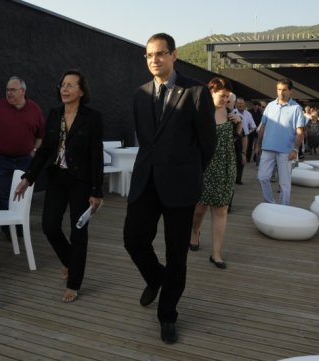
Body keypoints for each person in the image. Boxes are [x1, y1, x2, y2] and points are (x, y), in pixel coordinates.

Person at [123, 33, 216, 344]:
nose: (154, 59)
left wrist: (189, 173)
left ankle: (167, 315)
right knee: (133, 239)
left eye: (161, 53)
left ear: (174, 55)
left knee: (177, 254)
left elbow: (208, 143)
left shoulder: (196, 92)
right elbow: (145, 141)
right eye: (149, 55)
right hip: (146, 181)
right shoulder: (139, 94)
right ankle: (156, 278)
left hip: (181, 185)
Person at [13, 69, 104, 303]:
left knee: (78, 231)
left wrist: (97, 191)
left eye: (71, 85)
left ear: (82, 91)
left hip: (81, 182)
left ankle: (74, 283)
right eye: (63, 84)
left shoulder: (92, 118)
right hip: (57, 178)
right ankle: (69, 261)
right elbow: (45, 151)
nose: (64, 89)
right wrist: (28, 177)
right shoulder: (54, 114)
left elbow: (96, 155)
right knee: (49, 226)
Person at [0, 76, 45, 238]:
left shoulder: (35, 109)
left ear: (22, 91)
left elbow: (41, 134)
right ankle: (8, 230)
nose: (9, 93)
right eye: (7, 90)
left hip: (25, 160)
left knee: (23, 195)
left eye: (12, 90)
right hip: (0, 160)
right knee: (3, 195)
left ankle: (21, 226)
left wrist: (34, 150)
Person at [190, 78, 242, 270]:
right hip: (204, 167)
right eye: (222, 96)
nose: (226, 100)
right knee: (200, 208)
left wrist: (238, 125)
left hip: (226, 167)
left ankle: (216, 253)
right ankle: (195, 232)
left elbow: (235, 139)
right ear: (210, 93)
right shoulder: (198, 113)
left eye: (228, 97)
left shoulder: (230, 113)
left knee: (221, 210)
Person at [255, 78, 304, 206]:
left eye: (284, 90)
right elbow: (263, 127)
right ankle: (269, 202)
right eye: (279, 89)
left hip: (286, 151)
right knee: (262, 177)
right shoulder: (270, 106)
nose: (281, 93)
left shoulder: (297, 109)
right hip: (267, 148)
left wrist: (295, 149)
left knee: (284, 183)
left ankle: (284, 209)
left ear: (290, 91)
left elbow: (300, 132)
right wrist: (257, 145)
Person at [235, 96, 256, 185]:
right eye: (239, 103)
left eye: (242, 103)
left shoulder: (248, 114)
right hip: (235, 138)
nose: (241, 105)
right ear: (236, 104)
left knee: (242, 158)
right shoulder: (233, 112)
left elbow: (253, 126)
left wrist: (247, 132)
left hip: (244, 138)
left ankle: (238, 179)